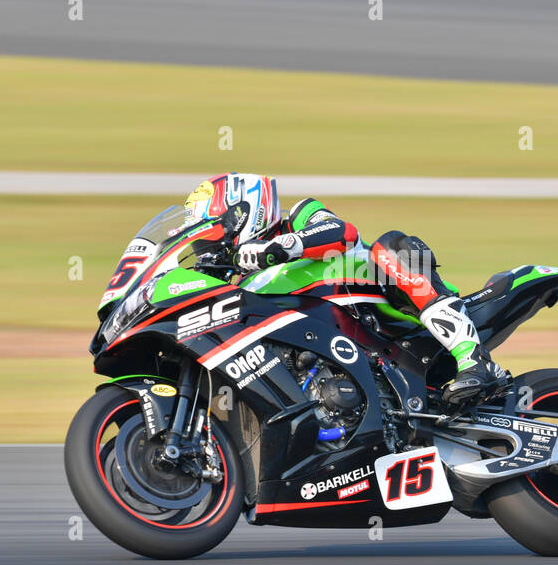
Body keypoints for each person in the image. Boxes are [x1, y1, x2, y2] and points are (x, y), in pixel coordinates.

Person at [182, 172, 509, 405]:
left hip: (397, 314)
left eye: (212, 230)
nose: (207, 243)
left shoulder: (299, 216)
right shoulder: (241, 282)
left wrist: (281, 248)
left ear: (241, 212)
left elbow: (343, 233)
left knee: (391, 245)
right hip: (347, 352)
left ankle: (473, 359)